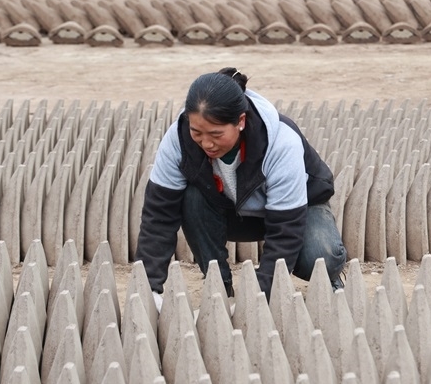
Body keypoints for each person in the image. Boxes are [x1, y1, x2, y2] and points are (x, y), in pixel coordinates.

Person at [136, 67, 347, 308]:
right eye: (197, 132)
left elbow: (286, 230)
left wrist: (256, 296)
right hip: (229, 210)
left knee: (321, 257)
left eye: (216, 134)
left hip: (296, 212)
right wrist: (149, 288)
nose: (206, 143)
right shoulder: (178, 139)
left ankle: (330, 278)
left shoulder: (280, 143)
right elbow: (158, 215)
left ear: (241, 122)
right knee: (190, 197)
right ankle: (218, 285)